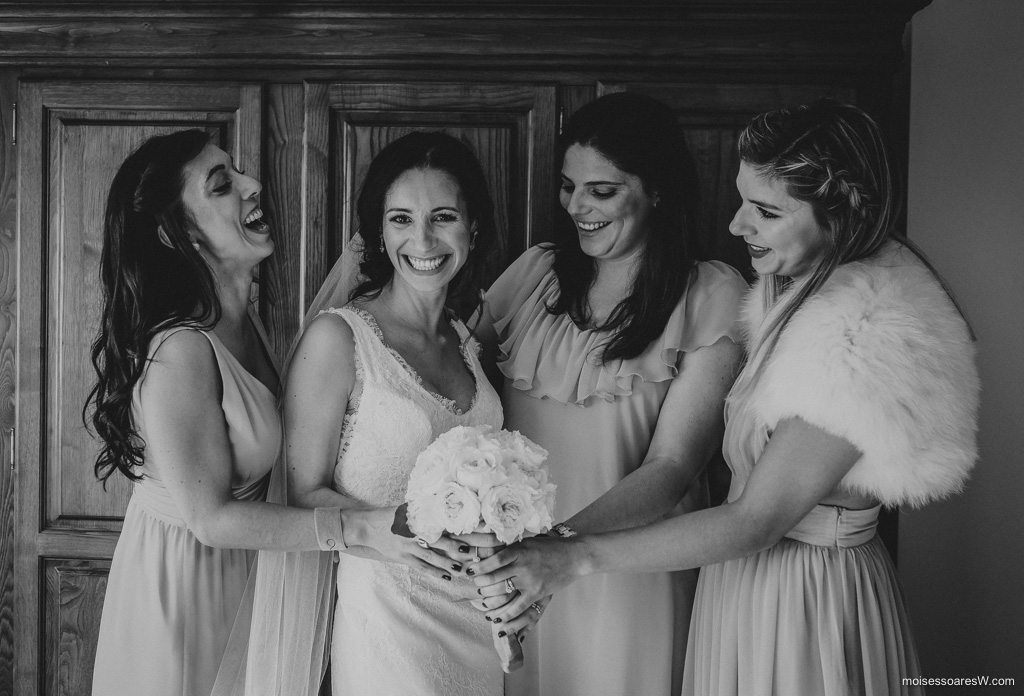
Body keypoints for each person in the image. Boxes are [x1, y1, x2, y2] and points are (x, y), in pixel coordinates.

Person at [470, 99, 980, 696]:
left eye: (766, 210)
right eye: (744, 202)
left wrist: (569, 553)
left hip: (806, 596)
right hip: (737, 582)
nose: (737, 225)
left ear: (841, 212)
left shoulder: (858, 335)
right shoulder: (789, 301)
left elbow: (752, 516)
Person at [86, 131, 460, 696]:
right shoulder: (180, 349)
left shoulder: (242, 320)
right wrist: (362, 526)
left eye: (238, 171)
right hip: (186, 587)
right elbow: (210, 519)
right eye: (222, 185)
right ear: (178, 231)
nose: (252, 185)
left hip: (252, 570)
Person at [472, 92, 748, 695]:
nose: (577, 206)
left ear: (657, 190)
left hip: (628, 577)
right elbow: (455, 392)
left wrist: (558, 549)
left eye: (602, 191)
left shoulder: (710, 296)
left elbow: (672, 466)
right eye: (569, 186)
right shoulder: (533, 276)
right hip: (512, 579)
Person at [248, 131, 505, 696]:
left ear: (473, 227)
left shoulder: (468, 342)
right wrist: (393, 527)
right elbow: (301, 495)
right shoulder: (339, 340)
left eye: (443, 217)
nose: (423, 239)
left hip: (479, 625)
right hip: (390, 628)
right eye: (401, 219)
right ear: (380, 234)